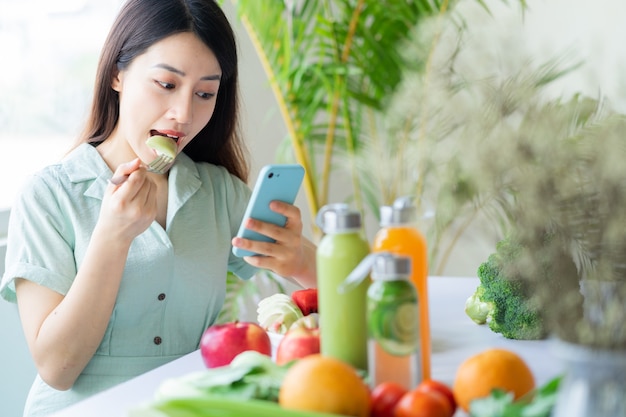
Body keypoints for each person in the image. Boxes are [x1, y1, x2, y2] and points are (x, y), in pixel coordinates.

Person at [0, 0, 317, 415]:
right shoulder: (49, 195)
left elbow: (361, 298)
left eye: (205, 93)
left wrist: (303, 262)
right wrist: (112, 237)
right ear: (117, 73)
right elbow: (57, 369)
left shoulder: (218, 192)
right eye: (167, 85)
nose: (183, 114)